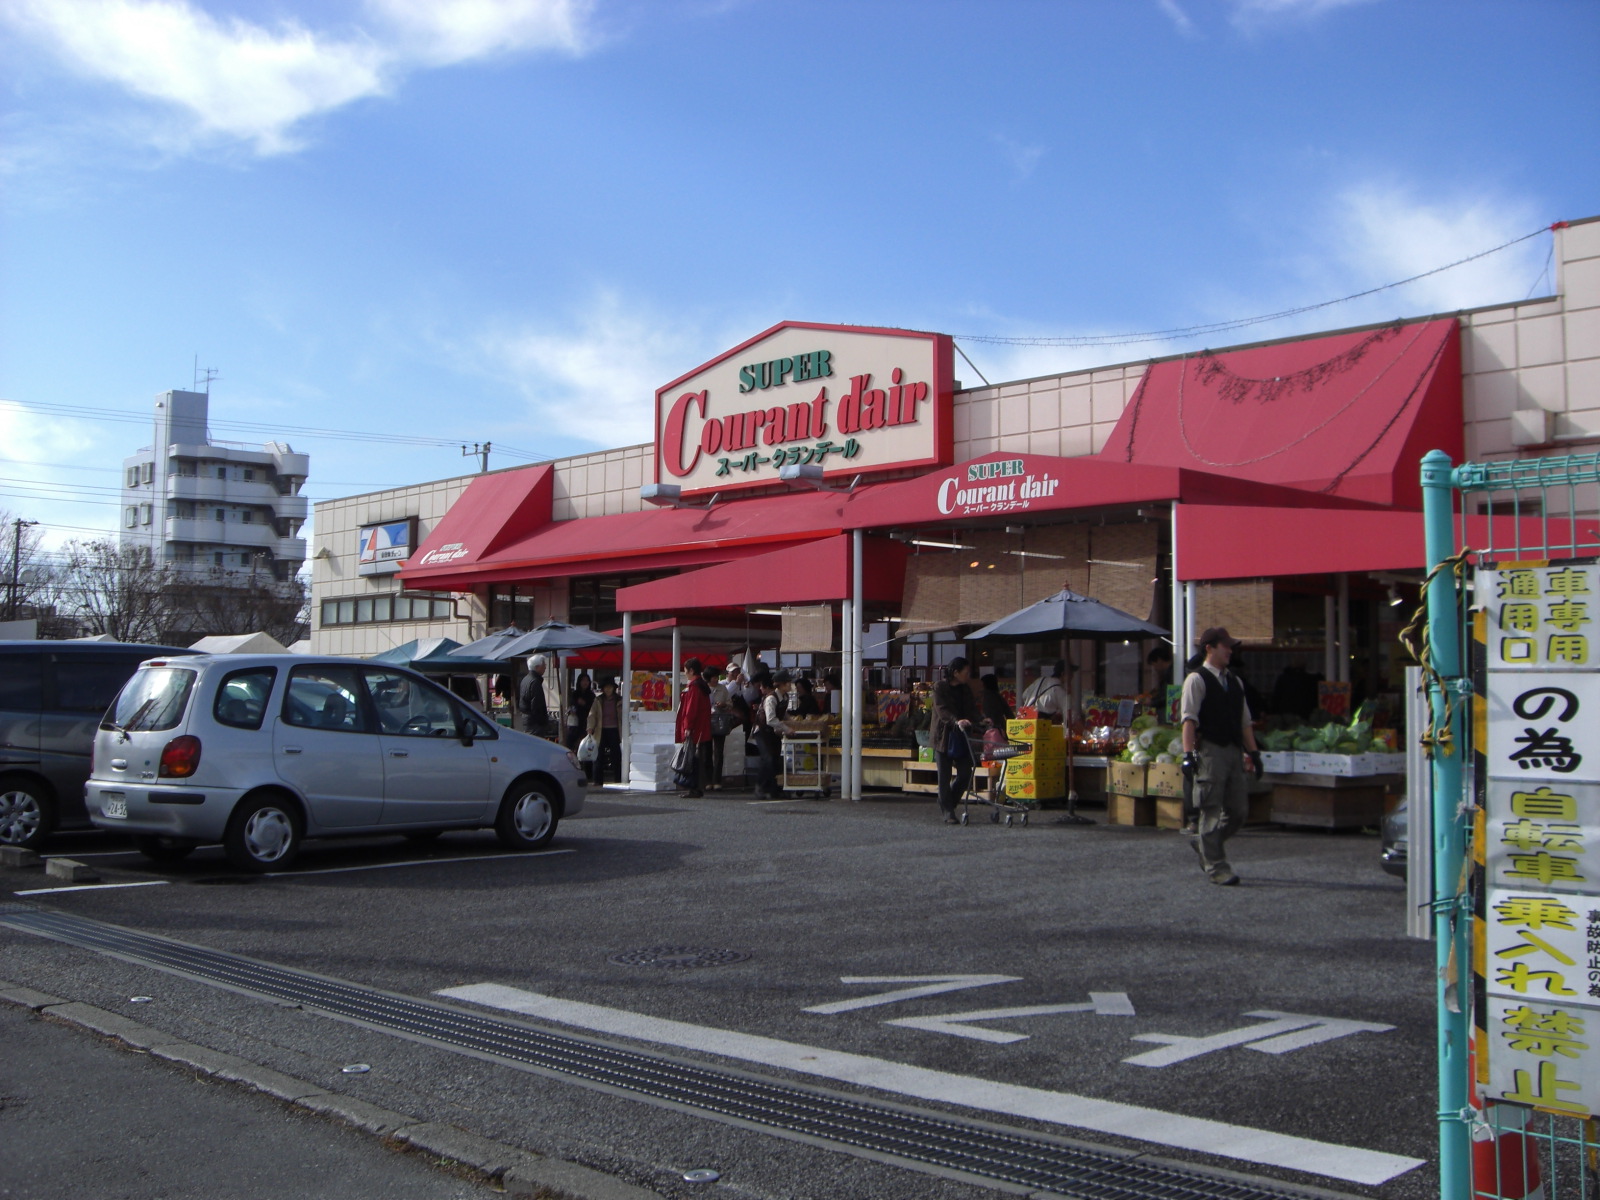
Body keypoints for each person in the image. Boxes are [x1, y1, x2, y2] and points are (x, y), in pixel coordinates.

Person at [1180, 627, 1262, 887]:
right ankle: (1217, 867)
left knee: (1239, 811)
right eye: (1225, 646)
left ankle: (1204, 843)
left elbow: (1245, 722)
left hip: (1233, 750)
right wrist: (1187, 754)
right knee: (1211, 809)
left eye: (1230, 646)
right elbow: (1189, 720)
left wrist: (1255, 753)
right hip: (1210, 751)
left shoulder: (1235, 682)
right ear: (1210, 648)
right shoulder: (1197, 679)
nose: (1230, 650)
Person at [929, 657, 981, 825]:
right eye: (966, 672)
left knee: (965, 773)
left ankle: (947, 802)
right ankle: (948, 812)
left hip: (961, 736)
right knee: (944, 775)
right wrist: (955, 721)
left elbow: (972, 709)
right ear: (955, 673)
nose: (968, 675)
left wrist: (981, 720)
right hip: (943, 736)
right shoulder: (940, 687)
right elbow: (941, 709)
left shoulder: (966, 689)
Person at [675, 656, 713, 798]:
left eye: (685, 670)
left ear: (691, 670)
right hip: (702, 727)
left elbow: (691, 710)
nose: (685, 673)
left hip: (695, 728)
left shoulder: (694, 687)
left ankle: (694, 787)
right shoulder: (701, 685)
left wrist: (688, 726)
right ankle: (697, 786)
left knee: (692, 759)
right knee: (698, 758)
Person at [752, 670, 791, 798]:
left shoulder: (785, 697)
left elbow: (783, 714)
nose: (790, 685)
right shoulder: (771, 698)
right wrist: (786, 728)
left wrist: (792, 722)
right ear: (781, 684)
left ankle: (774, 789)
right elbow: (770, 719)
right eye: (788, 682)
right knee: (767, 759)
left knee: (775, 759)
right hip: (762, 731)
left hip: (773, 732)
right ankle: (761, 787)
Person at [978, 673, 1012, 803]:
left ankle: (998, 789)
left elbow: (985, 716)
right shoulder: (998, 696)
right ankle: (1001, 788)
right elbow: (1008, 713)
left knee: (994, 756)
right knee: (1003, 757)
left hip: (991, 731)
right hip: (1001, 730)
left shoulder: (986, 697)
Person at [586, 676, 623, 784]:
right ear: (603, 688)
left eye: (610, 687)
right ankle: (597, 781)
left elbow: (624, 715)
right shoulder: (598, 700)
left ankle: (618, 779)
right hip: (600, 730)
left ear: (613, 688)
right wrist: (590, 727)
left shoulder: (619, 700)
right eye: (606, 687)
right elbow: (592, 715)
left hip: (615, 730)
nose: (608, 689)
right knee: (598, 756)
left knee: (616, 756)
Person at [706, 664, 732, 791]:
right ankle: (708, 780)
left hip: (720, 721)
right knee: (706, 752)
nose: (715, 679)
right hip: (706, 722)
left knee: (718, 752)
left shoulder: (723, 689)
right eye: (713, 677)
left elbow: (730, 703)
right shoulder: (704, 689)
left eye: (716, 677)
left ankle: (717, 780)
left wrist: (724, 704)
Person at [517, 654, 552, 738]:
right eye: (544, 665)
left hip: (527, 720)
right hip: (535, 723)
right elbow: (537, 705)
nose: (545, 667)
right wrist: (543, 722)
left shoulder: (525, 679)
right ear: (537, 667)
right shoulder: (535, 682)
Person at [564, 672, 594, 758]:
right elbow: (571, 705)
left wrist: (584, 704)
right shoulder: (575, 694)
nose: (585, 683)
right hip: (574, 724)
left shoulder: (591, 695)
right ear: (579, 682)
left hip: (586, 723)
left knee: (584, 746)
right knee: (570, 743)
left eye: (587, 681)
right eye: (583, 680)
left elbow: (593, 709)